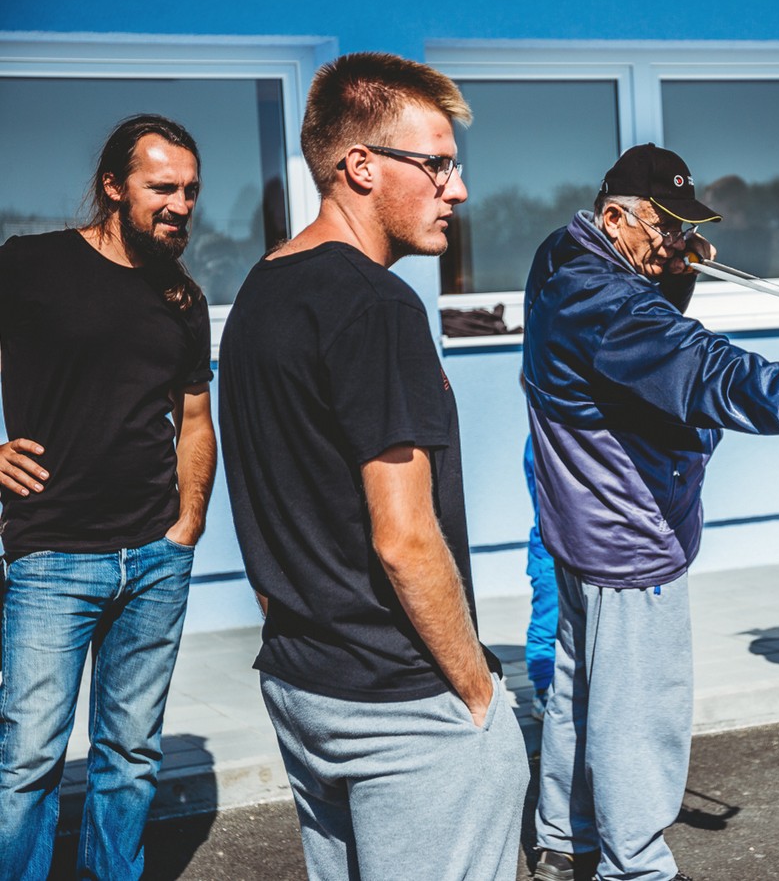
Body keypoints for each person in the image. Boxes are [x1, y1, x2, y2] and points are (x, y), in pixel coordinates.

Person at [525, 142, 779, 881]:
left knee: (581, 691)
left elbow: (635, 339)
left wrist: (672, 267)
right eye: (666, 227)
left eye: (686, 228)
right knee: (638, 714)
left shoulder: (563, 254)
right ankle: (637, 866)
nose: (679, 242)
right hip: (626, 531)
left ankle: (564, 837)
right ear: (616, 216)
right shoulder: (603, 298)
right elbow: (691, 361)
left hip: (580, 525)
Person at [218, 52, 527, 880]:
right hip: (400, 702)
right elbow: (404, 537)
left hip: (303, 681)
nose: (456, 190)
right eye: (436, 164)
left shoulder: (261, 293)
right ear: (360, 166)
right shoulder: (378, 305)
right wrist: (477, 695)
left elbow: (268, 497)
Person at [0, 114, 216, 880]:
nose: (181, 204)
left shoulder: (183, 300)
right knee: (27, 761)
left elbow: (195, 418)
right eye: (163, 187)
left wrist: (187, 526)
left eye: (191, 190)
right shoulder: (28, 266)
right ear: (114, 187)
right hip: (53, 554)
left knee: (130, 758)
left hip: (155, 558)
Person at [523, 432, 559, 719]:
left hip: (567, 547)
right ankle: (543, 692)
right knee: (546, 624)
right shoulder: (540, 440)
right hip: (550, 549)